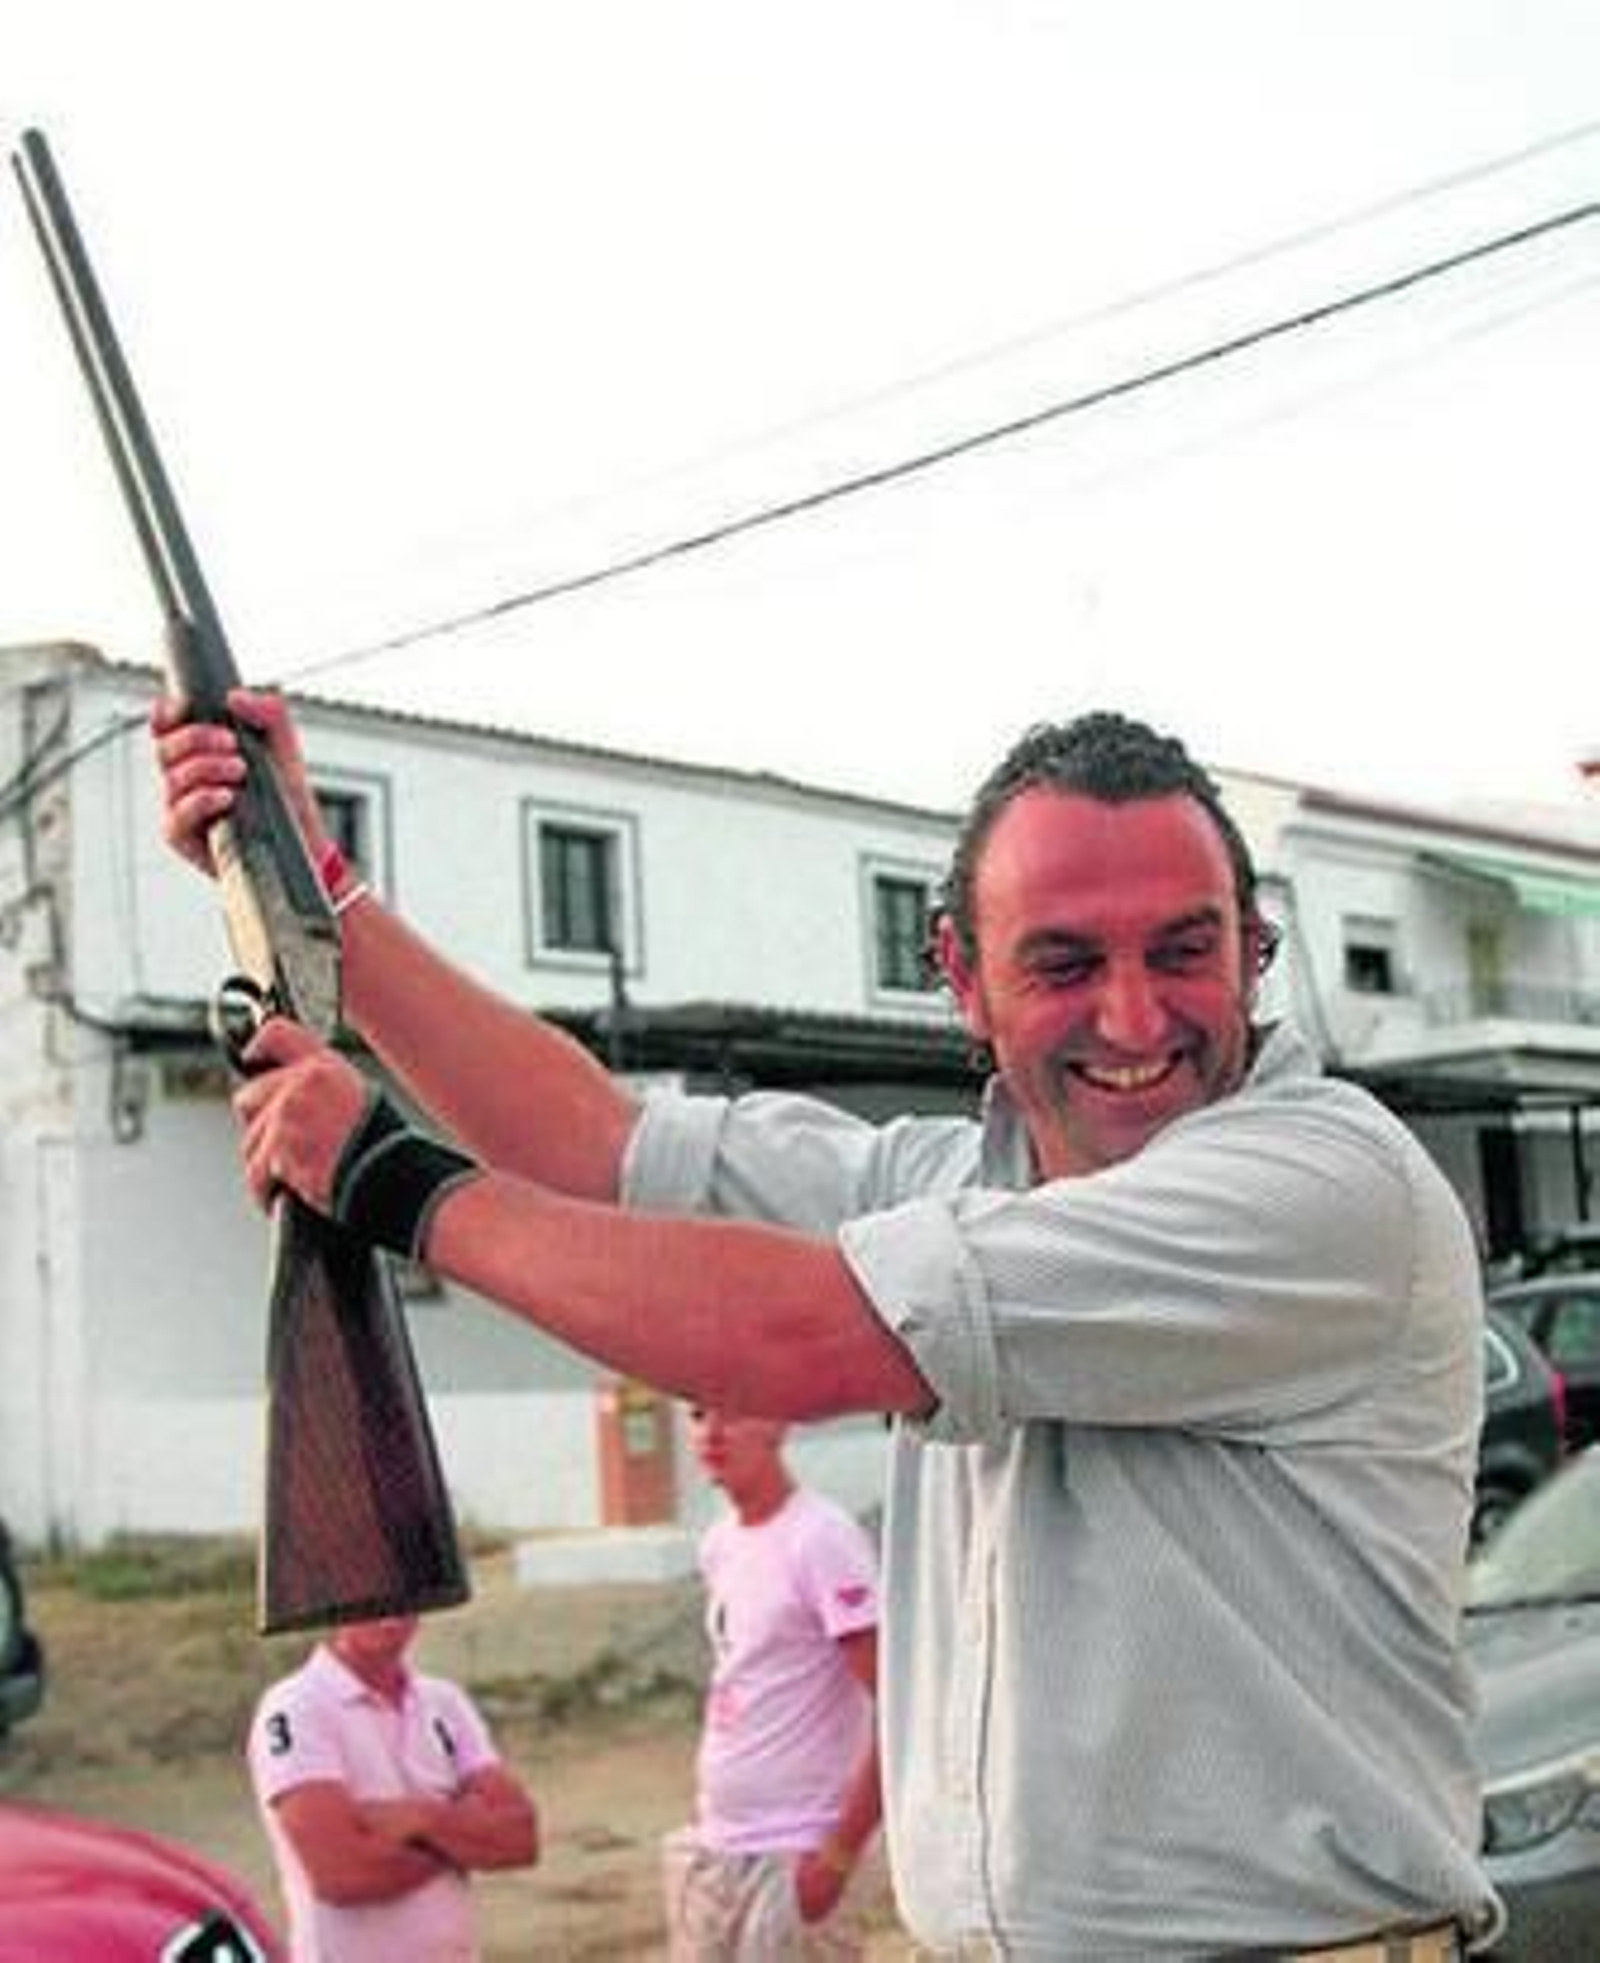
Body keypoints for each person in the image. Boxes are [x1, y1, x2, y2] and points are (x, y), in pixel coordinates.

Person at [158, 695, 1499, 1958]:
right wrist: (314, 877)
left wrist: (393, 1182)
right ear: (960, 980)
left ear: (1255, 951)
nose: (1137, 1014)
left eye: (1185, 949)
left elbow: (808, 1336)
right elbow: (599, 1144)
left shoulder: (1323, 1186)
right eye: (1066, 960)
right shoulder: (950, 1187)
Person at [663, 1405, 887, 1959]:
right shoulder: (720, 1543)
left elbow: (900, 1708)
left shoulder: (820, 1538)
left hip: (797, 1845)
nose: (711, 1433)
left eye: (730, 1413)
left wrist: (838, 1854)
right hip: (720, 1844)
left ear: (777, 1423)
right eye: (696, 1414)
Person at [246, 1612, 538, 1961]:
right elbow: (343, 1873)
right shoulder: (296, 1709)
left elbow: (520, 1838)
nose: (387, 1614)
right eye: (369, 1598)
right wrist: (463, 1833)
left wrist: (419, 1820)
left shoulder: (444, 1702)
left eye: (403, 1595)